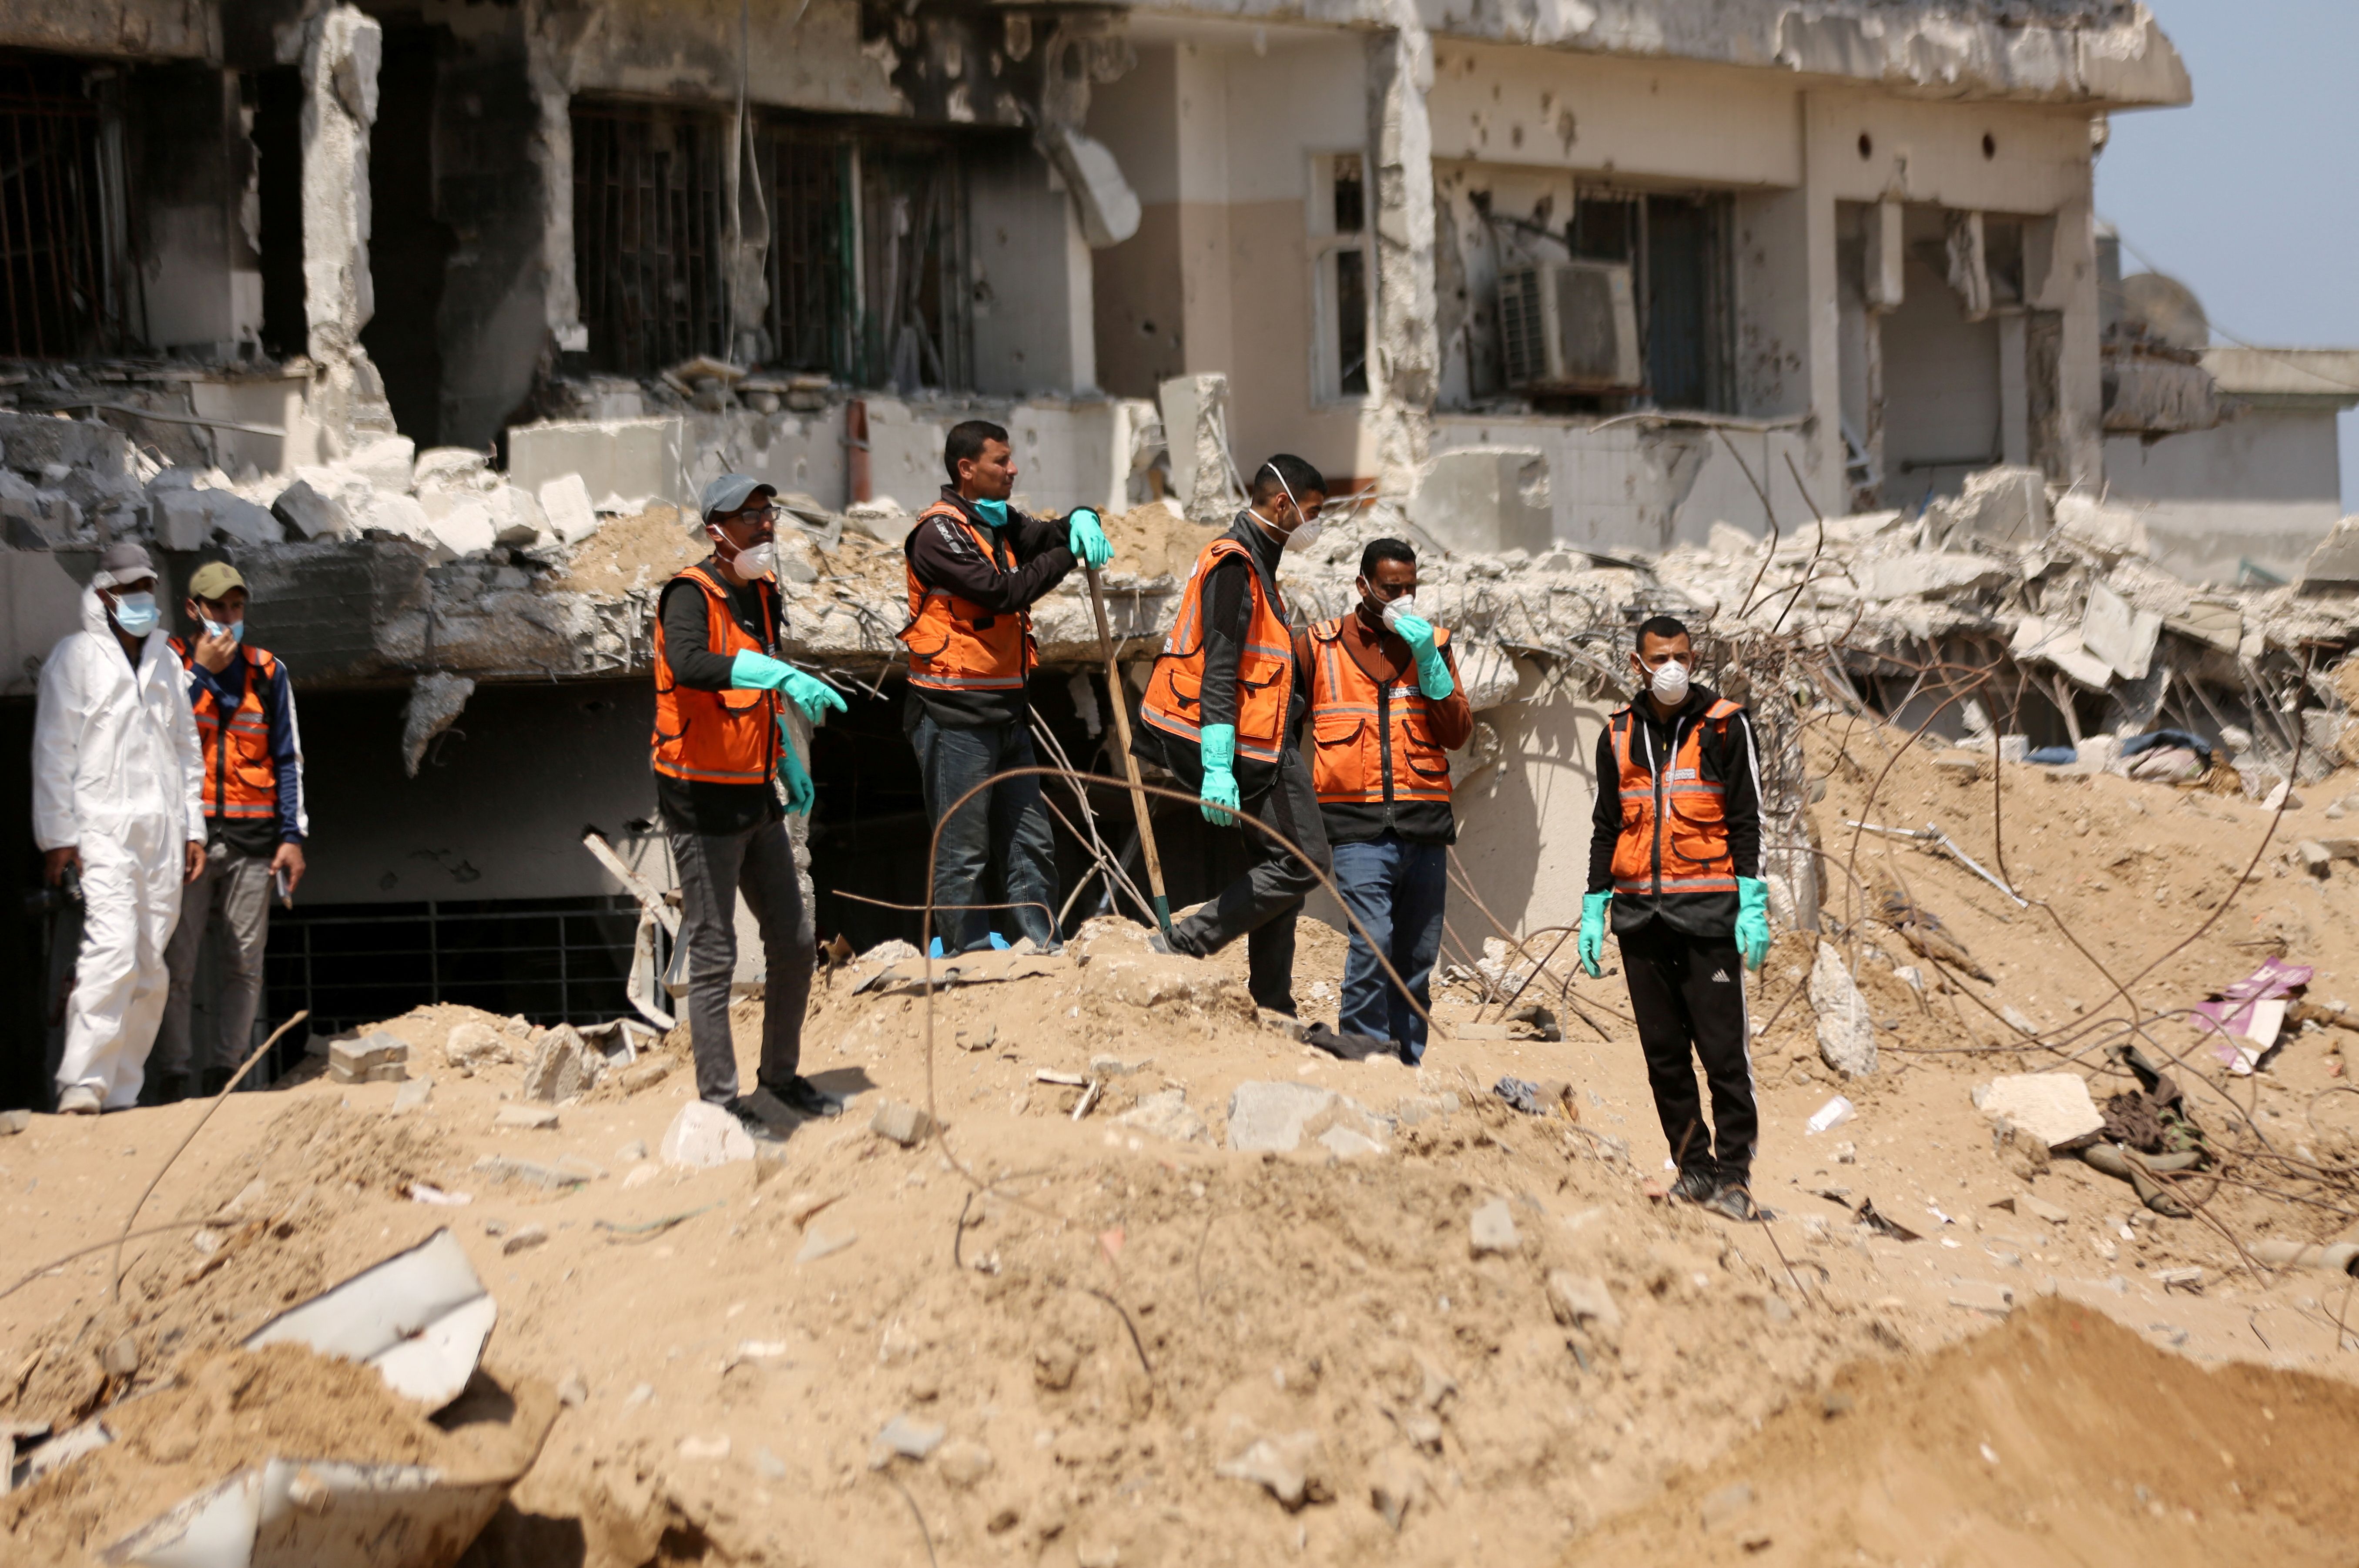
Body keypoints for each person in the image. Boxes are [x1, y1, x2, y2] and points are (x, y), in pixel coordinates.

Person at [654, 473, 847, 1129]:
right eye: (749, 517)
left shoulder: (761, 593)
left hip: (753, 787)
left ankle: (781, 1078)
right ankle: (718, 1104)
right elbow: (689, 665)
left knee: (793, 941)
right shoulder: (689, 592)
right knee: (714, 953)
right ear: (716, 530)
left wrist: (788, 761)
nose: (765, 525)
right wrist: (778, 672)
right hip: (698, 795)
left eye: (768, 513)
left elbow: (759, 688)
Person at [1578, 615, 1772, 1222]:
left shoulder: (1724, 726)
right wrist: (1594, 904)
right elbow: (1606, 824)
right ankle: (1693, 1169)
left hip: (1709, 917)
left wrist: (1753, 904)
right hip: (1640, 919)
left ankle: (1734, 1178)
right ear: (1636, 664)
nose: (1672, 669)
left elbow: (1748, 821)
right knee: (1663, 1054)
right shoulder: (1617, 733)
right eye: (1660, 658)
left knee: (1721, 1055)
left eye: (1682, 658)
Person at [898, 419, 1112, 953]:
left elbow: (1043, 535)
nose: (1012, 469)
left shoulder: (997, 522)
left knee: (1029, 841)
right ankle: (969, 953)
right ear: (966, 469)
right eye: (1000, 461)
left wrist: (1079, 520)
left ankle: (1039, 946)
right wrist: (1070, 554)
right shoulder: (938, 533)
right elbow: (1002, 592)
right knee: (962, 848)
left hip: (1007, 713)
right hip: (953, 716)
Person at [1136, 454, 1333, 1014]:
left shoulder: (1257, 563)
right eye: (1310, 513)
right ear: (1281, 504)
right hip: (1251, 748)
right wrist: (1217, 764)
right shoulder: (1234, 564)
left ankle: (1273, 1005)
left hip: (1263, 739)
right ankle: (1187, 941)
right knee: (1305, 860)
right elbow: (1220, 669)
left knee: (1278, 872)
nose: (1312, 526)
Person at [33, 541, 206, 1113]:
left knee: (151, 963)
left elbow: (185, 752)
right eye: (129, 589)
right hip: (101, 827)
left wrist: (194, 830)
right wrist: (58, 837)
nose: (139, 599)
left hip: (161, 832)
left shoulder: (168, 660)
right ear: (105, 594)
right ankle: (82, 1082)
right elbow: (54, 751)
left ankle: (122, 1089)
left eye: (146, 588)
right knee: (110, 950)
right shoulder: (75, 657)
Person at [1296, 539, 1471, 1061]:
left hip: (1423, 828)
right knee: (1372, 942)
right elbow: (1281, 721)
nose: (1403, 599)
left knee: (1416, 958)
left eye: (1410, 588)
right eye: (1392, 589)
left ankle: (1406, 1062)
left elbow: (1457, 732)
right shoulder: (1319, 646)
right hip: (1356, 831)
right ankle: (1364, 1056)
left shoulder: (1432, 644)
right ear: (1363, 586)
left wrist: (1429, 663)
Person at [153, 561, 307, 1102]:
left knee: (244, 961)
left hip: (253, 838)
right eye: (219, 607)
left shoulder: (268, 672)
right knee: (178, 962)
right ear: (194, 609)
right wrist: (196, 671)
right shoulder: (168, 664)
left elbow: (288, 759)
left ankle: (227, 1072)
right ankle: (173, 1075)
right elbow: (152, 731)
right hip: (187, 841)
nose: (229, 617)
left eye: (237, 607)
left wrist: (293, 836)